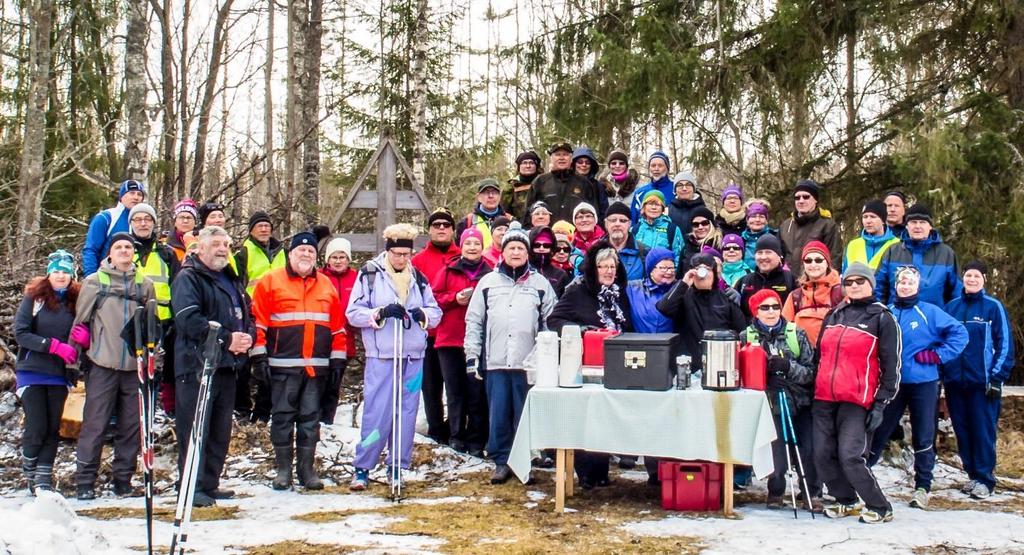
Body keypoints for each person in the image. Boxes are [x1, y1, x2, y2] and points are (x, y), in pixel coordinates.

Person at [347, 224, 442, 490]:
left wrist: (423, 315)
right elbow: (353, 313)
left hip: (412, 354)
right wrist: (379, 313)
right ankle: (363, 466)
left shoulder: (418, 278)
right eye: (397, 253)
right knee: (377, 411)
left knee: (407, 412)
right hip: (383, 354)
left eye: (406, 254)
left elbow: (435, 312)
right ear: (388, 251)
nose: (401, 259)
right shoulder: (369, 275)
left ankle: (397, 465)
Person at [250, 231, 347, 491]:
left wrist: (338, 361)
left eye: (311, 252)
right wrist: (258, 356)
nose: (306, 255)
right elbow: (257, 322)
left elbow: (337, 328)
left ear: (316, 257)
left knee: (310, 419)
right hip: (282, 365)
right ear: (290, 254)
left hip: (316, 368)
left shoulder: (326, 285)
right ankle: (283, 470)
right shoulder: (270, 281)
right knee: (282, 418)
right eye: (301, 251)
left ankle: (306, 469)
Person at [866, 266, 968, 509]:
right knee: (878, 429)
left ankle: (923, 486)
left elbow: (960, 334)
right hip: (893, 383)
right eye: (901, 282)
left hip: (923, 382)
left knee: (923, 432)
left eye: (910, 283)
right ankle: (862, 475)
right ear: (896, 285)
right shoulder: (885, 313)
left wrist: (937, 355)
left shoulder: (929, 312)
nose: (905, 286)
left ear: (918, 286)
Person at [464, 222, 556, 484]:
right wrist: (472, 355)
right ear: (502, 252)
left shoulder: (540, 284)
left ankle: (525, 459)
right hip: (496, 361)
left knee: (525, 414)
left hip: (528, 363)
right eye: (511, 247)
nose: (516, 252)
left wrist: (545, 358)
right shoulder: (487, 283)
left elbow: (551, 322)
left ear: (528, 253)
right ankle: (502, 461)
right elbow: (474, 321)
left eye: (520, 248)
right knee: (499, 414)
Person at [171, 226, 254, 506]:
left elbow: (247, 313)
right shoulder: (189, 278)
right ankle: (190, 486)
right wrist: (227, 339)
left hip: (227, 365)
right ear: (200, 248)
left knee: (219, 429)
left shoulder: (230, 279)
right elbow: (189, 320)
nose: (222, 249)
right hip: (197, 365)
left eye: (226, 244)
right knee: (195, 428)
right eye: (216, 244)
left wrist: (246, 337)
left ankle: (210, 482)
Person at [813, 262, 901, 524]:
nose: (853, 286)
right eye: (849, 283)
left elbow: (891, 365)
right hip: (825, 397)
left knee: (851, 456)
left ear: (870, 284)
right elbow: (820, 355)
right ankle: (846, 500)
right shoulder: (835, 314)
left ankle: (879, 506)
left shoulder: (882, 317)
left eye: (859, 281)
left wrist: (881, 403)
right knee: (821, 454)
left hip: (858, 399)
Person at [73, 232, 156, 500]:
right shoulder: (95, 282)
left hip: (135, 367)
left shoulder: (145, 285)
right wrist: (73, 360)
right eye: (118, 247)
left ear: (134, 252)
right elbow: (80, 323)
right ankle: (85, 480)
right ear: (110, 253)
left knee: (131, 426)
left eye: (128, 247)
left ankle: (123, 480)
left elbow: (152, 326)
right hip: (102, 364)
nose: (123, 251)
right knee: (95, 424)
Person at [654, 252, 746, 484]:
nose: (703, 274)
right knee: (688, 421)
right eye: (698, 270)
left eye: (708, 269)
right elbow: (663, 308)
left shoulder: (725, 297)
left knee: (719, 423)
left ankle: (725, 474)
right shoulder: (684, 296)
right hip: (688, 368)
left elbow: (741, 328)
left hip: (719, 369)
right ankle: (685, 472)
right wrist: (685, 282)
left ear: (715, 273)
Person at [548, 244, 633, 489]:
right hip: (585, 361)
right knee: (586, 417)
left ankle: (601, 470)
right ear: (592, 269)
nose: (608, 271)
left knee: (605, 417)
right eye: (603, 266)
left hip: (614, 362)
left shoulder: (619, 292)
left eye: (612, 266)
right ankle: (584, 471)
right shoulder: (577, 291)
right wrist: (582, 332)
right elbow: (554, 319)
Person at [944, 261, 1016, 499]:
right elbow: (944, 341)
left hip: (982, 383)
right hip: (955, 381)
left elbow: (1004, 344)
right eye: (967, 275)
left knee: (982, 431)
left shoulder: (993, 307)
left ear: (984, 279)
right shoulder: (952, 307)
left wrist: (998, 378)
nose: (971, 279)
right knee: (962, 430)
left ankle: (985, 479)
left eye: (976, 276)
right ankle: (972, 475)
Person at [742, 289, 817, 510]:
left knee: (808, 449)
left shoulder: (796, 333)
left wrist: (788, 368)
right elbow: (743, 374)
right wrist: (767, 377)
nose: (771, 311)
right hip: (770, 401)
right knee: (776, 449)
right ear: (756, 311)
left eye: (775, 306)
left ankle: (811, 492)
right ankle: (776, 491)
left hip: (800, 399)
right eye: (765, 308)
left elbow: (811, 372)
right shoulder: (746, 337)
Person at [13, 250, 80, 494]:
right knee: (37, 425)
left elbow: (82, 330)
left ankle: (43, 479)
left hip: (60, 373)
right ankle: (29, 465)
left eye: (65, 272)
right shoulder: (35, 298)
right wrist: (51, 345)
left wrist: (82, 340)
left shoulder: (76, 301)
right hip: (32, 369)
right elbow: (20, 332)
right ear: (49, 274)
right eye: (57, 272)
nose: (61, 276)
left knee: (53, 427)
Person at [431, 227, 493, 456]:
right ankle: (456, 437)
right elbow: (433, 298)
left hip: (479, 341)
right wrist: (454, 298)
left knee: (477, 392)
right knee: (455, 392)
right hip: (450, 340)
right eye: (468, 243)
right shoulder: (448, 270)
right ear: (462, 246)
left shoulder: (490, 272)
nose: (472, 247)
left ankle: (477, 439)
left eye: (476, 243)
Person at [412, 208, 463, 445]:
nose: (441, 229)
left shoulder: (463, 257)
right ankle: (436, 431)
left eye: (446, 225)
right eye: (436, 225)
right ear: (429, 230)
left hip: (455, 335)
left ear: (453, 230)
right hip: (427, 335)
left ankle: (456, 432)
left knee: (456, 389)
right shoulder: (417, 261)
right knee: (431, 387)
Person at [128, 202, 182, 416]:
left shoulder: (166, 253)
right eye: (138, 219)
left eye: (147, 219)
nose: (143, 224)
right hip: (129, 319)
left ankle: (162, 409)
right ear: (131, 223)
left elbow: (178, 286)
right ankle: (131, 412)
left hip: (163, 320)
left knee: (162, 368)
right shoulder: (122, 249)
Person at [234, 210, 285, 422]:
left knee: (271, 365)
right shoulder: (243, 253)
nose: (264, 229)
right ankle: (242, 409)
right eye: (259, 225)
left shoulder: (283, 251)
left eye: (267, 225)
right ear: (251, 230)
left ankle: (264, 411)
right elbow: (236, 284)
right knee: (244, 366)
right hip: (251, 316)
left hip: (279, 317)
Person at [874, 204, 960, 307]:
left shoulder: (946, 254)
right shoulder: (892, 252)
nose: (917, 226)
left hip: (933, 319)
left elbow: (956, 292)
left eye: (922, 222)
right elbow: (879, 288)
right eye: (913, 222)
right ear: (907, 226)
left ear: (930, 226)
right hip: (896, 317)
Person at [318, 237, 358, 425]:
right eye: (334, 256)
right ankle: (313, 419)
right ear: (327, 259)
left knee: (334, 384)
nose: (338, 260)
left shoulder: (357, 278)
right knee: (318, 383)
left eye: (342, 256)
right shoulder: (319, 277)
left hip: (345, 341)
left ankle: (327, 420)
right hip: (320, 340)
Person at [781, 241, 843, 347]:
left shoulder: (840, 293)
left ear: (827, 263)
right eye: (808, 260)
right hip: (802, 359)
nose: (813, 264)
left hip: (832, 357)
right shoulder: (795, 296)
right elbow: (783, 330)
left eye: (818, 260)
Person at [82, 179, 146, 277]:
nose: (136, 197)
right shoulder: (106, 218)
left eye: (139, 194)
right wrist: (90, 277)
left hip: (134, 280)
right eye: (132, 193)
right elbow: (91, 249)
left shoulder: (144, 222)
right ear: (121, 196)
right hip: (107, 279)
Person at [779, 179, 842, 276]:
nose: (801, 201)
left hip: (816, 283)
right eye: (797, 198)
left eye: (806, 197)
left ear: (815, 200)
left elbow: (834, 259)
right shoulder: (785, 226)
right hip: (788, 284)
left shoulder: (827, 225)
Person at [526, 142, 600, 223]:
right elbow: (528, 212)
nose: (561, 158)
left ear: (571, 158)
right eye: (557, 154)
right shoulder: (540, 182)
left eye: (565, 154)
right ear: (551, 158)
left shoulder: (584, 183)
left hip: (575, 234)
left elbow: (594, 213)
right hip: (547, 233)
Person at [736, 234, 797, 318]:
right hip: (750, 330)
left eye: (768, 252)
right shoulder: (745, 281)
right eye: (759, 253)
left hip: (783, 329)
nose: (763, 257)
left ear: (779, 256)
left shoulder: (791, 280)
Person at [626, 248, 676, 333]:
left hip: (671, 344)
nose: (669, 272)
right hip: (640, 344)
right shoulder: (633, 288)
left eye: (672, 268)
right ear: (651, 271)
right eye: (663, 268)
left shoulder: (679, 289)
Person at [843, 199, 899, 272]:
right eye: (865, 217)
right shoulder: (853, 245)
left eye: (873, 217)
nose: (868, 221)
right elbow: (845, 275)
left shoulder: (897, 244)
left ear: (883, 220)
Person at [457, 179, 511, 248]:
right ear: (478, 197)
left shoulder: (509, 220)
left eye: (494, 192)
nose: (491, 196)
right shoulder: (467, 221)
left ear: (499, 196)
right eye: (486, 193)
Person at [631, 190, 684, 261]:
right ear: (644, 207)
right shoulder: (635, 229)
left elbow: (679, 256)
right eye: (650, 204)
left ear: (662, 208)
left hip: (664, 271)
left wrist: (673, 271)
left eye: (657, 204)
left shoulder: (672, 229)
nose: (654, 207)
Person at [604, 202, 647, 280]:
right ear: (606, 224)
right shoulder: (595, 251)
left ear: (629, 224)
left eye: (623, 220)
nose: (617, 224)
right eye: (613, 220)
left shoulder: (644, 252)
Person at [529, 225, 572, 297]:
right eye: (537, 245)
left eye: (546, 245)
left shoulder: (560, 274)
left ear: (551, 247)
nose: (541, 248)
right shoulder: (523, 270)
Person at [630, 151, 673, 221]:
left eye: (660, 165)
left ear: (667, 169)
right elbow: (633, 220)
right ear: (649, 168)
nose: (656, 169)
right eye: (653, 165)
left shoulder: (676, 190)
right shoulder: (639, 193)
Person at [678, 206, 722, 273]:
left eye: (704, 223)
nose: (700, 227)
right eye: (696, 224)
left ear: (711, 224)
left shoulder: (719, 244)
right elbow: (679, 274)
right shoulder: (687, 247)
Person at [502, 150, 542, 222]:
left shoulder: (544, 182)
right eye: (524, 163)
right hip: (518, 227)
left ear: (536, 166)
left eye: (531, 163)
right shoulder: (511, 186)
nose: (528, 166)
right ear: (519, 167)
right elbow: (504, 211)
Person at [741, 198, 777, 268]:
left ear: (766, 220)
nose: (757, 220)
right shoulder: (741, 241)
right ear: (747, 220)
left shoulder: (776, 237)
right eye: (753, 216)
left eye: (761, 216)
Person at [572, 146, 608, 218]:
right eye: (580, 162)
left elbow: (604, 211)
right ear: (574, 164)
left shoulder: (598, 186)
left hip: (593, 226)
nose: (584, 165)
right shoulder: (566, 183)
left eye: (587, 162)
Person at [667, 172, 706, 237]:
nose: (684, 188)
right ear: (675, 190)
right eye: (680, 185)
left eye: (688, 185)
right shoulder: (668, 210)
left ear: (694, 189)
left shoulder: (703, 210)